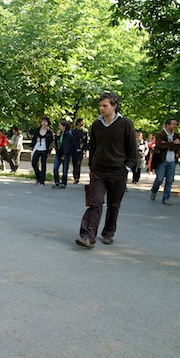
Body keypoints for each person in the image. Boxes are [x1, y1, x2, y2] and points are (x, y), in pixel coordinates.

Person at [76, 92, 137, 248]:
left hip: (118, 171)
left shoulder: (126, 124)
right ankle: (89, 236)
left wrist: (127, 167)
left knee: (113, 205)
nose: (101, 108)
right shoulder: (96, 124)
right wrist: (91, 167)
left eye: (105, 105)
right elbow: (93, 147)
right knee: (95, 203)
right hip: (98, 171)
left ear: (114, 106)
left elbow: (132, 149)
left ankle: (108, 232)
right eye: (100, 105)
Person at [150, 119, 180, 205]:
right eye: (173, 124)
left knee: (169, 180)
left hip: (172, 161)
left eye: (176, 124)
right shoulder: (160, 134)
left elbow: (178, 146)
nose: (175, 126)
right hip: (162, 160)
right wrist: (172, 143)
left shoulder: (176, 135)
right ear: (167, 125)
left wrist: (168, 145)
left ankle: (166, 198)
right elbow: (160, 145)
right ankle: (154, 190)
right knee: (159, 178)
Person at [29, 117, 54, 186]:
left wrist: (50, 149)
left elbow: (51, 141)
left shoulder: (49, 131)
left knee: (43, 164)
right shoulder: (38, 129)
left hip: (44, 149)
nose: (44, 123)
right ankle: (38, 177)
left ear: (48, 123)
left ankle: (42, 180)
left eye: (45, 121)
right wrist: (31, 146)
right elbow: (34, 138)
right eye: (43, 121)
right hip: (37, 147)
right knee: (34, 163)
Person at [52, 120, 75, 189]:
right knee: (55, 168)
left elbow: (68, 146)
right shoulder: (59, 134)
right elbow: (57, 143)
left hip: (65, 154)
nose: (59, 127)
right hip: (59, 153)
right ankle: (57, 182)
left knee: (65, 169)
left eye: (60, 125)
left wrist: (65, 154)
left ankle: (64, 183)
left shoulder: (68, 135)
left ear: (64, 126)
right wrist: (56, 137)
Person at [71, 118, 88, 184]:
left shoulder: (84, 132)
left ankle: (77, 177)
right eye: (81, 122)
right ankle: (75, 176)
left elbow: (85, 142)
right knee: (74, 163)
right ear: (78, 123)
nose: (83, 123)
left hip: (81, 150)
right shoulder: (73, 131)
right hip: (74, 150)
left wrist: (85, 150)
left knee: (78, 163)